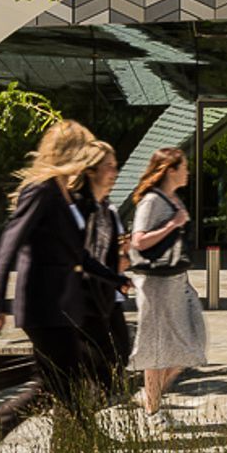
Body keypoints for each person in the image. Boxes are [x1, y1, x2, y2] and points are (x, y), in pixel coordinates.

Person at [0, 121, 134, 453]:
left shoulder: (63, 194)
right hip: (43, 308)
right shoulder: (42, 190)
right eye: (87, 148)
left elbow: (79, 257)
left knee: (55, 386)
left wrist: (116, 279)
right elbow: (8, 246)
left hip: (62, 308)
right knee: (67, 385)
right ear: (72, 151)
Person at [123, 147, 208, 413]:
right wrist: (172, 224)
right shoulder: (152, 201)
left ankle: (150, 398)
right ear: (170, 170)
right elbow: (138, 241)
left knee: (191, 345)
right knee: (157, 347)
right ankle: (152, 409)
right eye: (183, 167)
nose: (188, 172)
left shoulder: (172, 199)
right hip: (157, 284)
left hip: (177, 281)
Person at [78, 142, 133, 392]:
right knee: (99, 366)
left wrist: (119, 274)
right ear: (90, 170)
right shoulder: (79, 207)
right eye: (108, 166)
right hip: (78, 300)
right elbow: (78, 257)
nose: (115, 172)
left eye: (115, 166)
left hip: (103, 298)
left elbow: (113, 258)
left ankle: (87, 420)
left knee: (119, 354)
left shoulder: (107, 212)